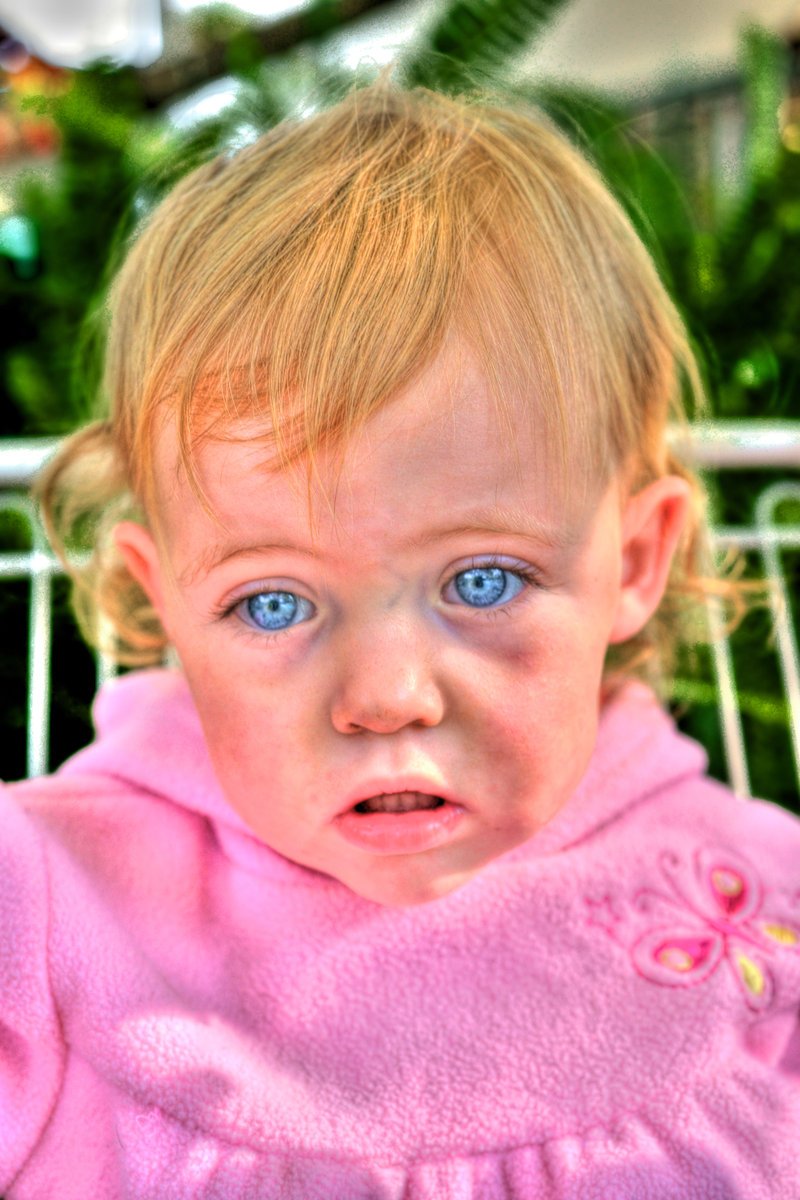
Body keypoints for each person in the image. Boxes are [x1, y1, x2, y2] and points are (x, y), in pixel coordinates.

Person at [1, 77, 798, 1200]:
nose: (384, 697)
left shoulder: (764, 903)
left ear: (631, 563)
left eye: (481, 581)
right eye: (272, 603)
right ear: (162, 596)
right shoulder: (47, 908)